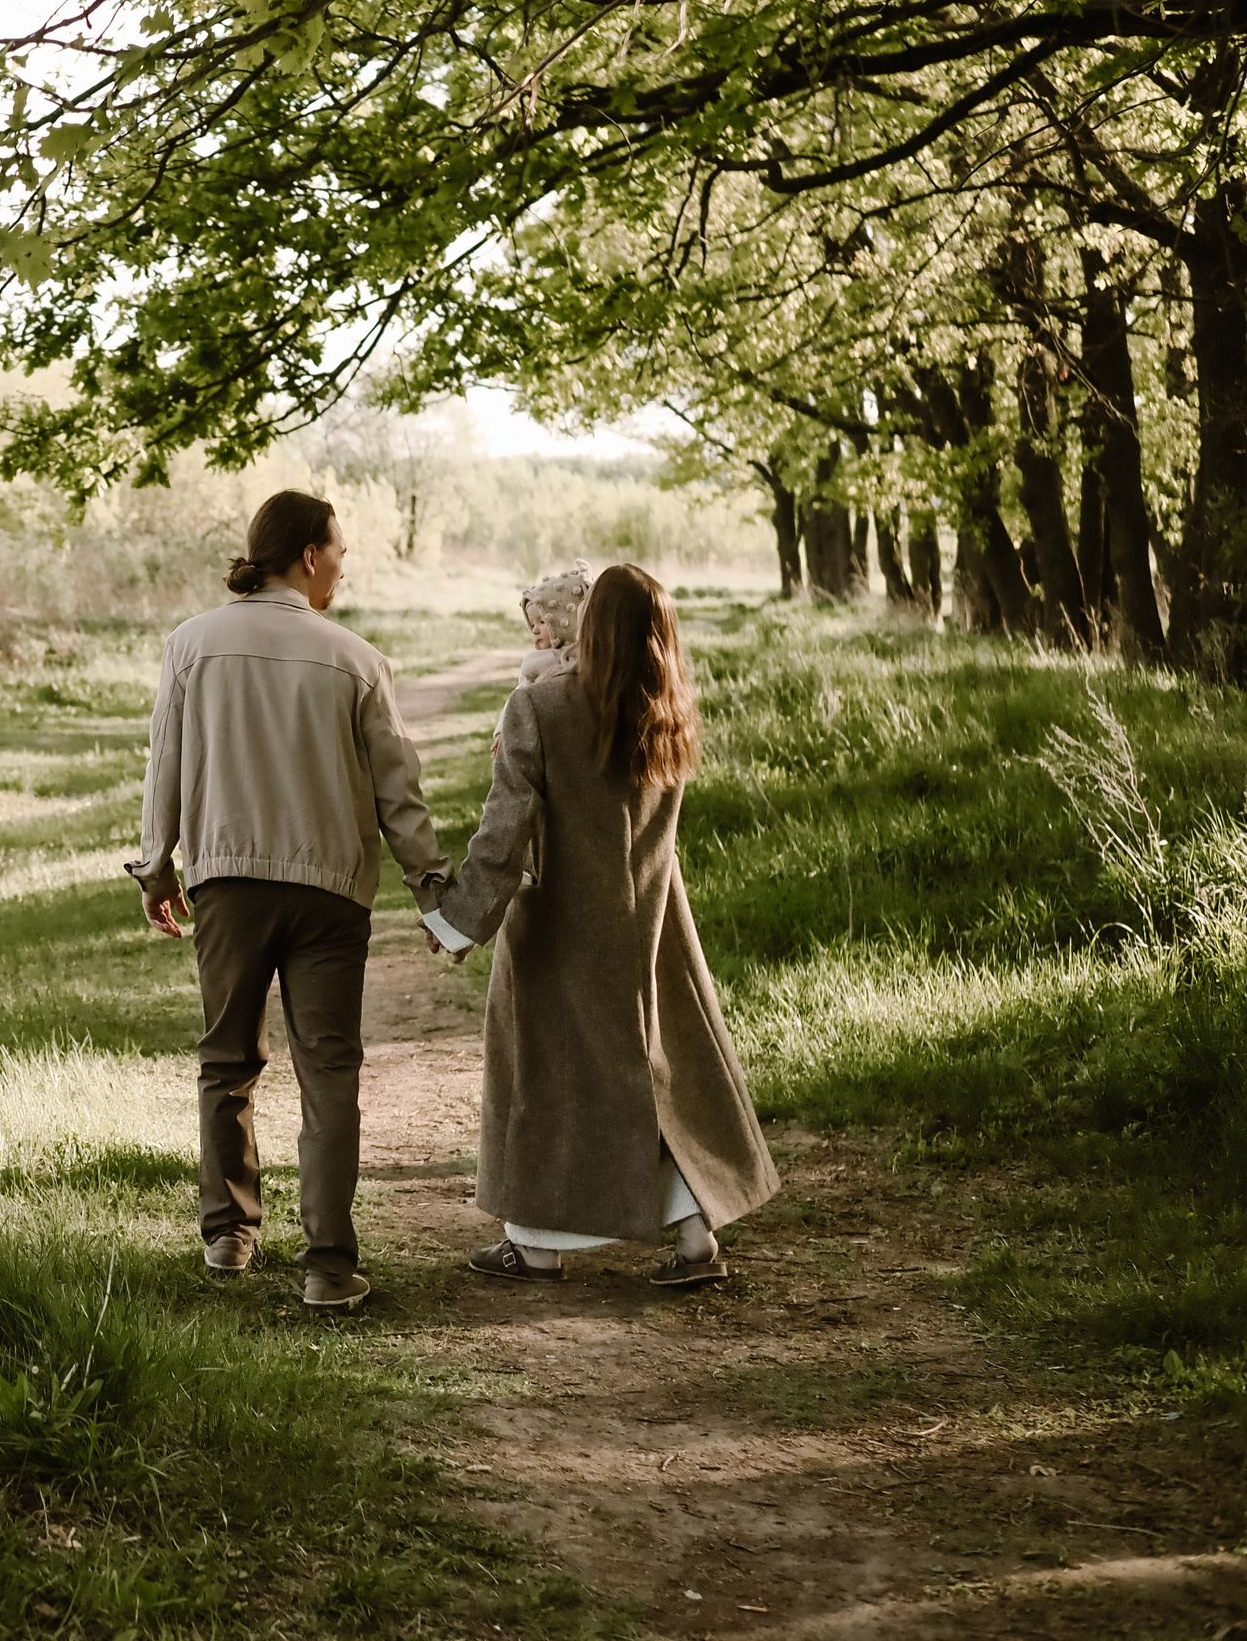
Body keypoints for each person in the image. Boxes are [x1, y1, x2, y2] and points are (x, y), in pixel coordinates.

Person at [130, 490, 451, 1312]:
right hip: (330, 893)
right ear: (310, 555)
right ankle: (329, 1266)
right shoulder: (356, 659)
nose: (342, 564)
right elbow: (399, 792)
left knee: (226, 1064)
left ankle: (229, 1234)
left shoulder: (191, 645)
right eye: (338, 549)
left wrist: (157, 867)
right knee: (329, 1074)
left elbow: (163, 765)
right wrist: (430, 887)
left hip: (228, 887)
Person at [422, 562, 776, 1288]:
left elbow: (504, 831)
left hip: (561, 919)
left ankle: (536, 1245)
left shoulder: (541, 709)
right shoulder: (669, 713)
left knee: (548, 1072)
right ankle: (694, 1241)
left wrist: (458, 923)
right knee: (650, 1072)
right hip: (650, 922)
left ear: (594, 627)